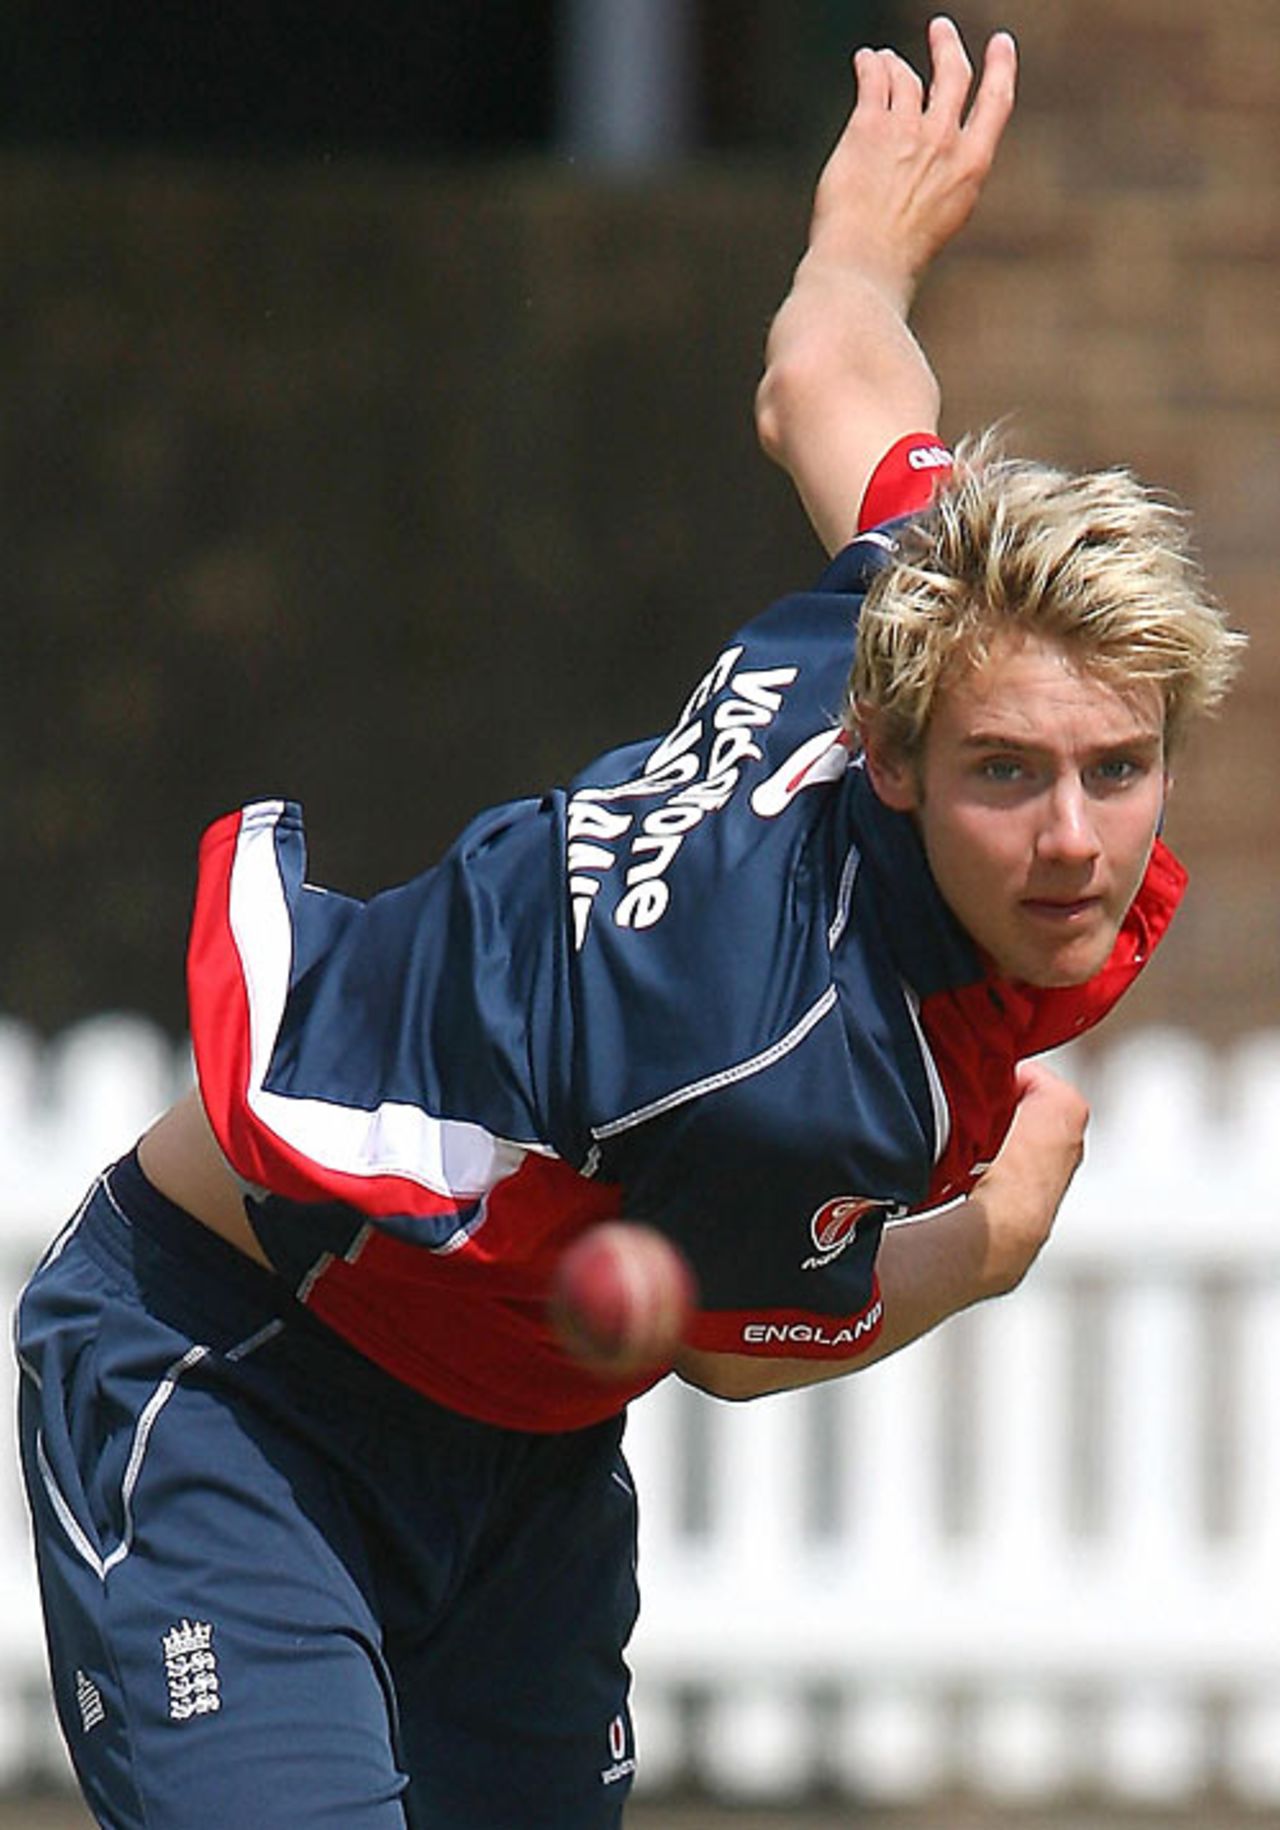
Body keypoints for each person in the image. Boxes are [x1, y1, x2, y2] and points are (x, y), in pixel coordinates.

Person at [15, 17, 1243, 1829]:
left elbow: (822, 376)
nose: (1074, 838)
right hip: (239, 1371)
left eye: (1117, 768)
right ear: (892, 755)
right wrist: (992, 1235)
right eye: (1008, 775)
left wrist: (866, 238)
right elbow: (738, 1343)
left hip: (518, 1444)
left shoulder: (925, 594)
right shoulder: (787, 1057)